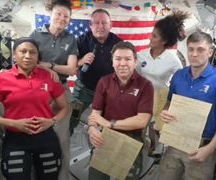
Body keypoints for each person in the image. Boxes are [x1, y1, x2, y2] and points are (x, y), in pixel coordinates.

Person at [0, 37, 69, 180]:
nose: (27, 56)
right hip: (16, 140)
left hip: (46, 139)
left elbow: (64, 108)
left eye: (32, 52)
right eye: (23, 51)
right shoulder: (2, 79)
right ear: (15, 55)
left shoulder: (48, 77)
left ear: (38, 57)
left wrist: (51, 121)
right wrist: (13, 123)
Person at [159, 31, 216, 180]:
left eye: (200, 50)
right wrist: (165, 112)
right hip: (175, 143)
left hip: (202, 148)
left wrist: (209, 149)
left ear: (210, 52)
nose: (194, 54)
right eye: (191, 49)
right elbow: (168, 104)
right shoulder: (179, 76)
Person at [87, 41, 154, 179]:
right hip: (104, 138)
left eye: (128, 59)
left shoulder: (146, 86)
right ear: (112, 62)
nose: (122, 63)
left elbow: (142, 121)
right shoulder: (104, 82)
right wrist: (92, 128)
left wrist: (109, 123)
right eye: (118, 59)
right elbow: (95, 114)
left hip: (131, 140)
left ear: (135, 62)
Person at [29, 0, 77, 178]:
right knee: (35, 136)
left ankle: (62, 177)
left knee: (62, 139)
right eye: (58, 14)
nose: (62, 18)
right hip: (36, 91)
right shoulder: (35, 35)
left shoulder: (70, 39)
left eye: (66, 16)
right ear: (50, 14)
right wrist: (44, 68)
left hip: (61, 90)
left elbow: (71, 69)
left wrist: (48, 65)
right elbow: (27, 63)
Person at [69, 8, 122, 135]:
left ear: (111, 25)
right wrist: (81, 61)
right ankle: (63, 142)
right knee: (72, 116)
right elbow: (70, 66)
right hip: (84, 88)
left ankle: (101, 147)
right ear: (91, 25)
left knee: (108, 122)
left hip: (108, 91)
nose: (100, 26)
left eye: (104, 23)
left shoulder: (118, 43)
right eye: (96, 23)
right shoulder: (81, 40)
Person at [137, 10, 188, 133]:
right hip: (141, 98)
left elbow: (182, 83)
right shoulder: (141, 55)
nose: (150, 38)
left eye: (154, 36)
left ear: (164, 41)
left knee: (157, 132)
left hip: (160, 100)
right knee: (139, 131)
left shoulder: (173, 61)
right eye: (151, 34)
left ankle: (157, 150)